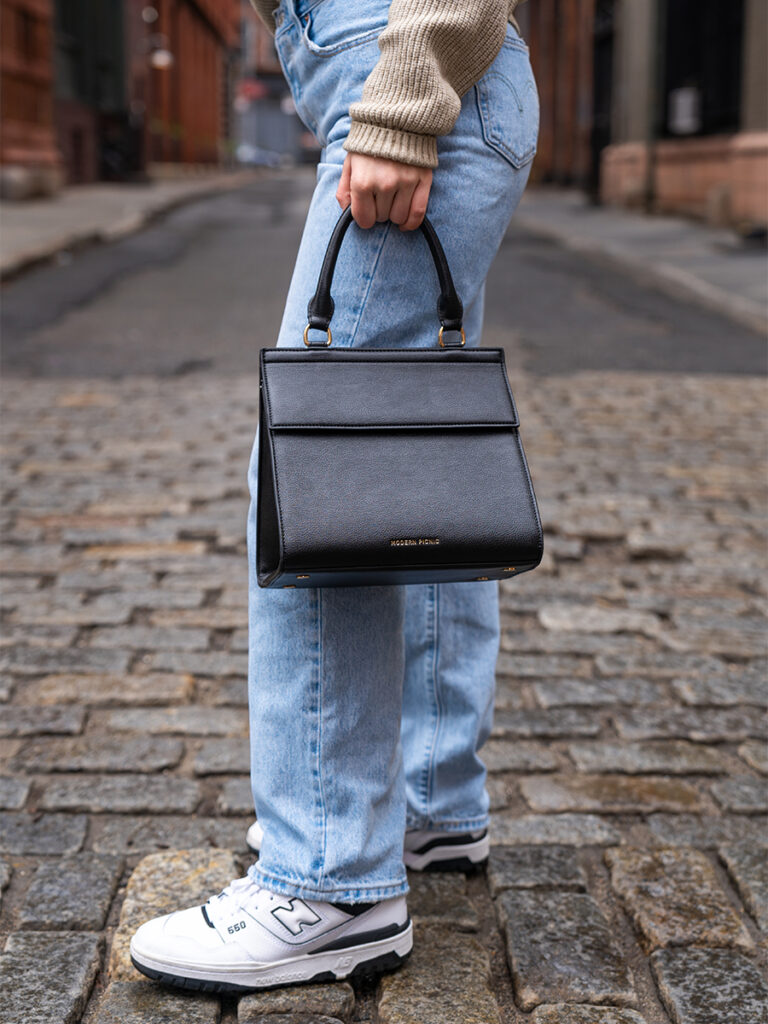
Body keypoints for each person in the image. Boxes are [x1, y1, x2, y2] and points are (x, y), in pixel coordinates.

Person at [130, 0, 538, 992]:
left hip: (410, 70)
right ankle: (432, 801)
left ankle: (330, 881)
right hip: (437, 76)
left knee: (318, 475)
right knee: (410, 458)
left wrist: (399, 112)